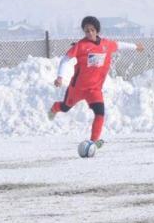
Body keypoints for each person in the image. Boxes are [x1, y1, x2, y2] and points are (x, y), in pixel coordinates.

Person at [49, 16, 144, 147]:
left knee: (100, 113)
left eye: (92, 30)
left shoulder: (106, 45)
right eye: (86, 31)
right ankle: (55, 108)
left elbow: (120, 45)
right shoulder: (80, 46)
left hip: (94, 90)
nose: (89, 33)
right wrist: (60, 76)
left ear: (97, 30)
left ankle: (93, 141)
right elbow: (65, 59)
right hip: (77, 88)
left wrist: (135, 47)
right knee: (65, 108)